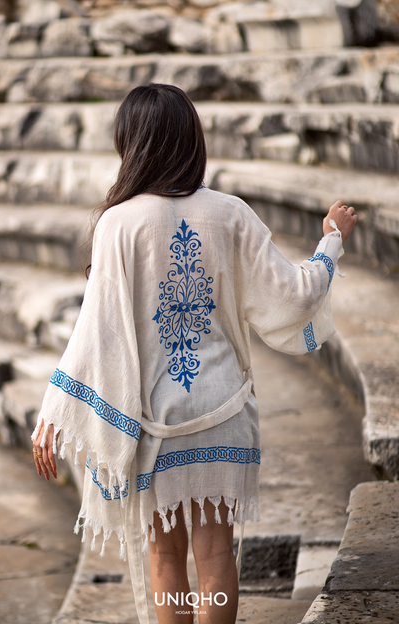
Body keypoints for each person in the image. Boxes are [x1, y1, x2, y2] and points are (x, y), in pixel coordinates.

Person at [31, 83, 357, 624]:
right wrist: (330, 243)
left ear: (132, 144)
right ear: (190, 139)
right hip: (225, 413)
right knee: (215, 553)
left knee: (164, 557)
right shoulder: (230, 214)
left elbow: (97, 329)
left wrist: (55, 410)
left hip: (156, 426)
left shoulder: (118, 223)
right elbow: (293, 294)